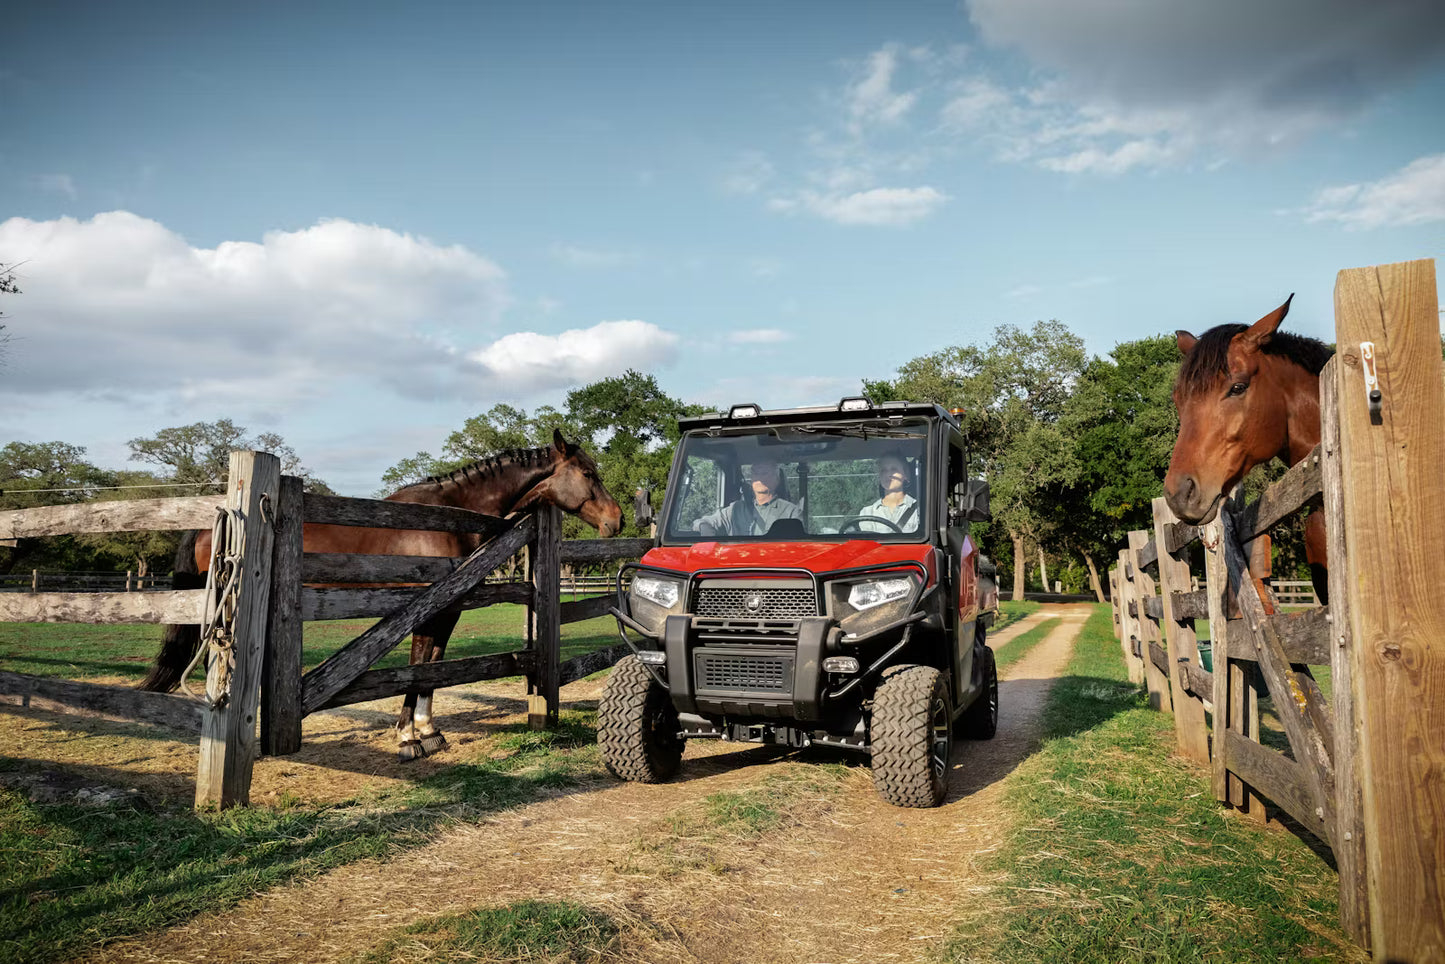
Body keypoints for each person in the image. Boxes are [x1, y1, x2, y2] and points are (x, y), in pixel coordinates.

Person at [694, 459, 802, 536]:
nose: (759, 477)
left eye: (764, 473)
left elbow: (799, 545)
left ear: (777, 479)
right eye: (755, 472)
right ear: (751, 479)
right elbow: (702, 522)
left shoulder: (791, 512)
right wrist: (706, 530)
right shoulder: (735, 509)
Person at [856, 452, 919, 533]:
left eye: (894, 469)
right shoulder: (867, 513)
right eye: (883, 470)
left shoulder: (919, 511)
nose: (888, 474)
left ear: (906, 474)